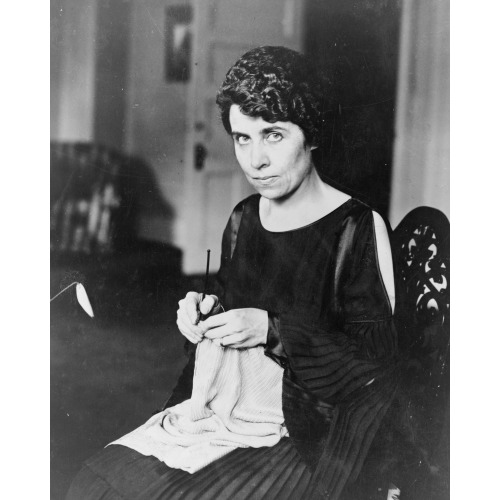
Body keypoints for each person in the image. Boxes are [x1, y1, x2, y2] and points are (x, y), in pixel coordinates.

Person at [67, 46, 405, 500]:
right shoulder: (244, 218)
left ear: (312, 136)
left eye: (273, 135)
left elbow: (377, 373)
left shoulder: (358, 228)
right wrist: (203, 316)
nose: (255, 161)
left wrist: (272, 330)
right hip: (231, 408)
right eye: (243, 138)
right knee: (95, 482)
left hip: (311, 433)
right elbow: (229, 311)